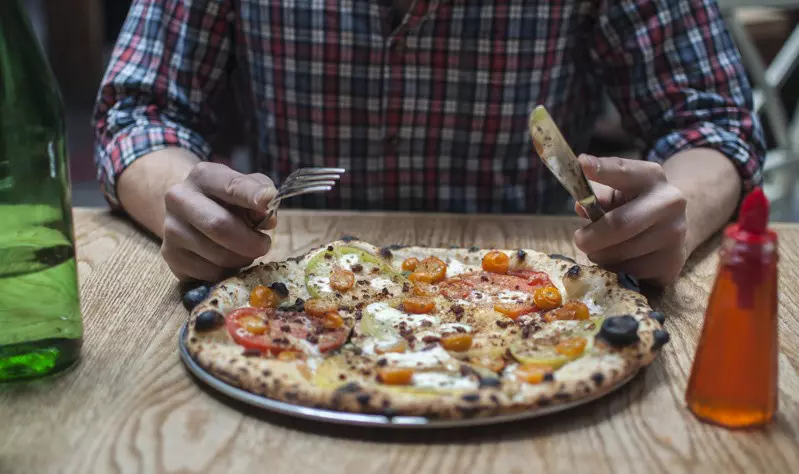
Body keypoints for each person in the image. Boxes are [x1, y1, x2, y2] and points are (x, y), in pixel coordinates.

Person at [93, 0, 766, 285]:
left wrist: (673, 212)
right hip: (286, 288)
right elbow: (138, 111)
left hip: (536, 293)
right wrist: (185, 202)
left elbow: (713, 122)